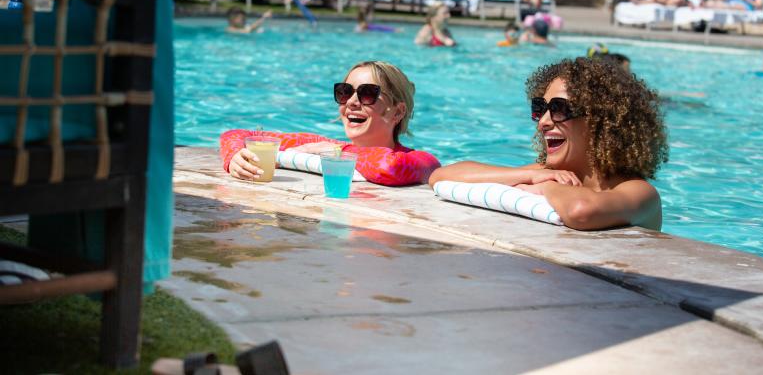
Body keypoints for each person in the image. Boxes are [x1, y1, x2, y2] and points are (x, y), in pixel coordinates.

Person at [429, 57, 669, 231]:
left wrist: (544, 187)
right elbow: (441, 176)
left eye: (558, 109)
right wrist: (529, 176)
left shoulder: (640, 193)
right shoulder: (548, 173)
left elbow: (581, 211)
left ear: (603, 121)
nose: (542, 122)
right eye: (540, 108)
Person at [221, 61, 441, 186]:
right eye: (345, 93)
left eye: (367, 94)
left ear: (397, 112)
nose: (352, 102)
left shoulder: (420, 161)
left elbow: (389, 167)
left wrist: (338, 151)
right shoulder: (320, 144)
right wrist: (235, 159)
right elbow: (237, 134)